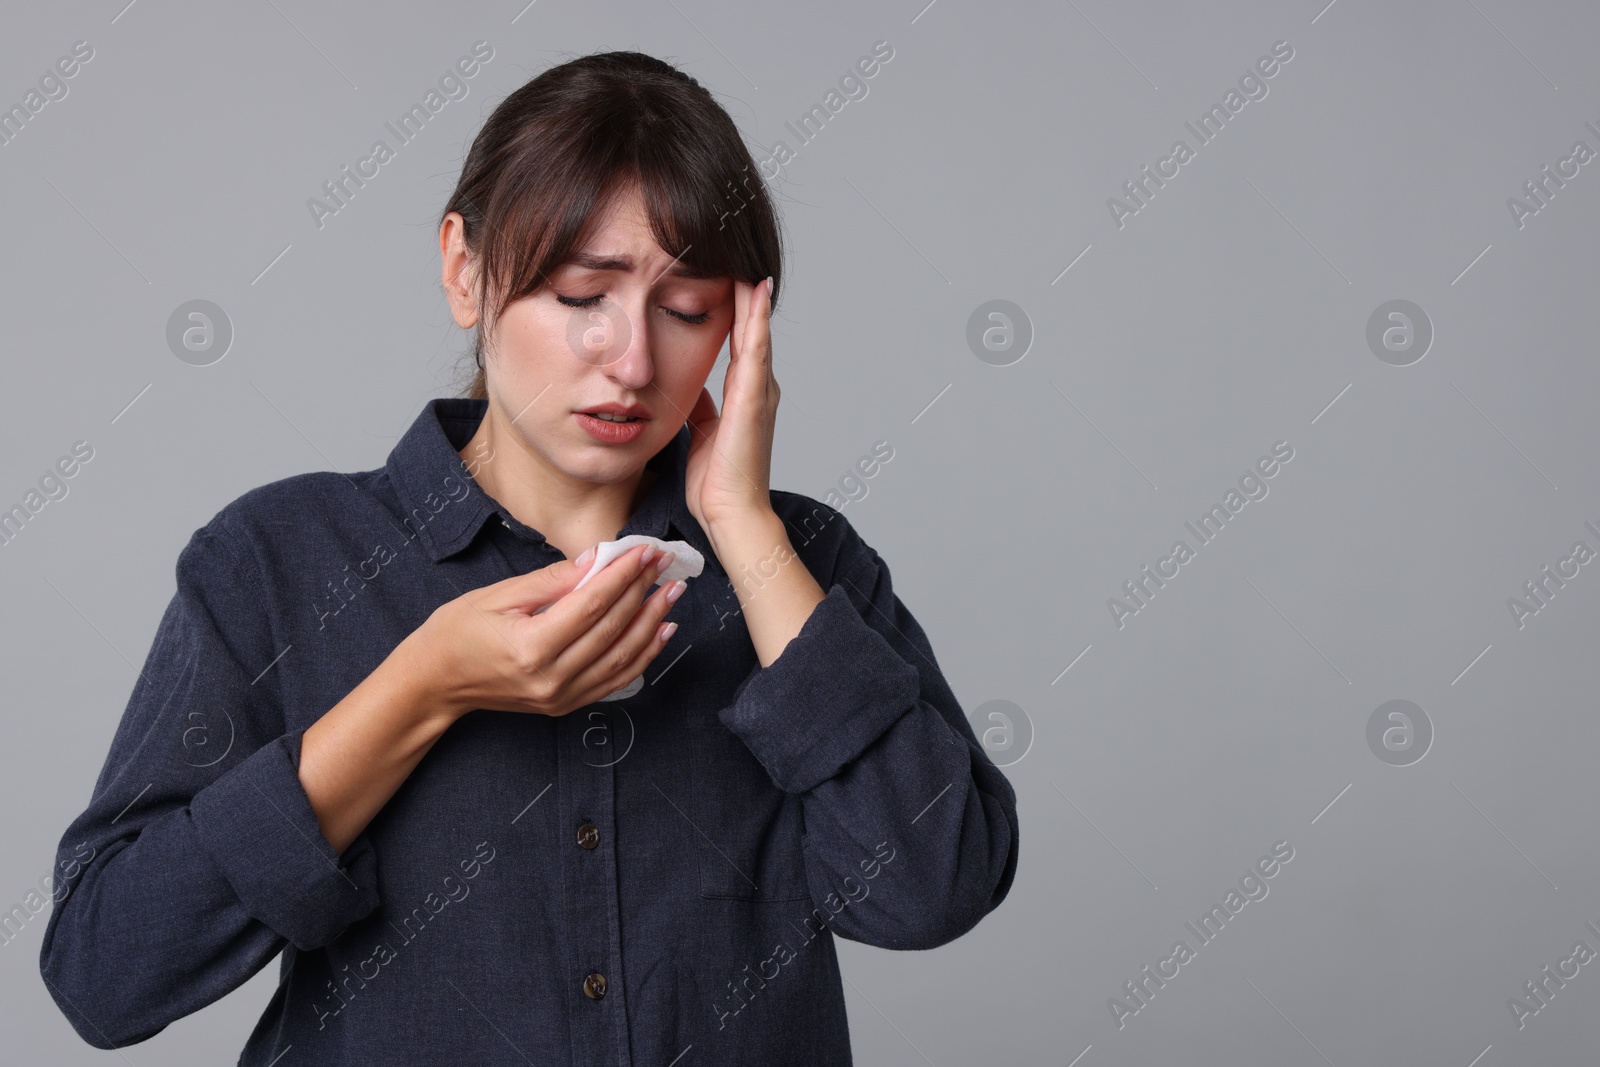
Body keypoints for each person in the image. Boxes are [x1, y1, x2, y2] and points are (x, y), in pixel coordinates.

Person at [39, 50, 1019, 1066]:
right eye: (579, 295)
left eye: (687, 310)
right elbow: (107, 971)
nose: (632, 361)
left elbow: (934, 890)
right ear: (465, 268)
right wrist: (422, 687)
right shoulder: (276, 561)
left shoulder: (804, 565)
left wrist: (744, 526)